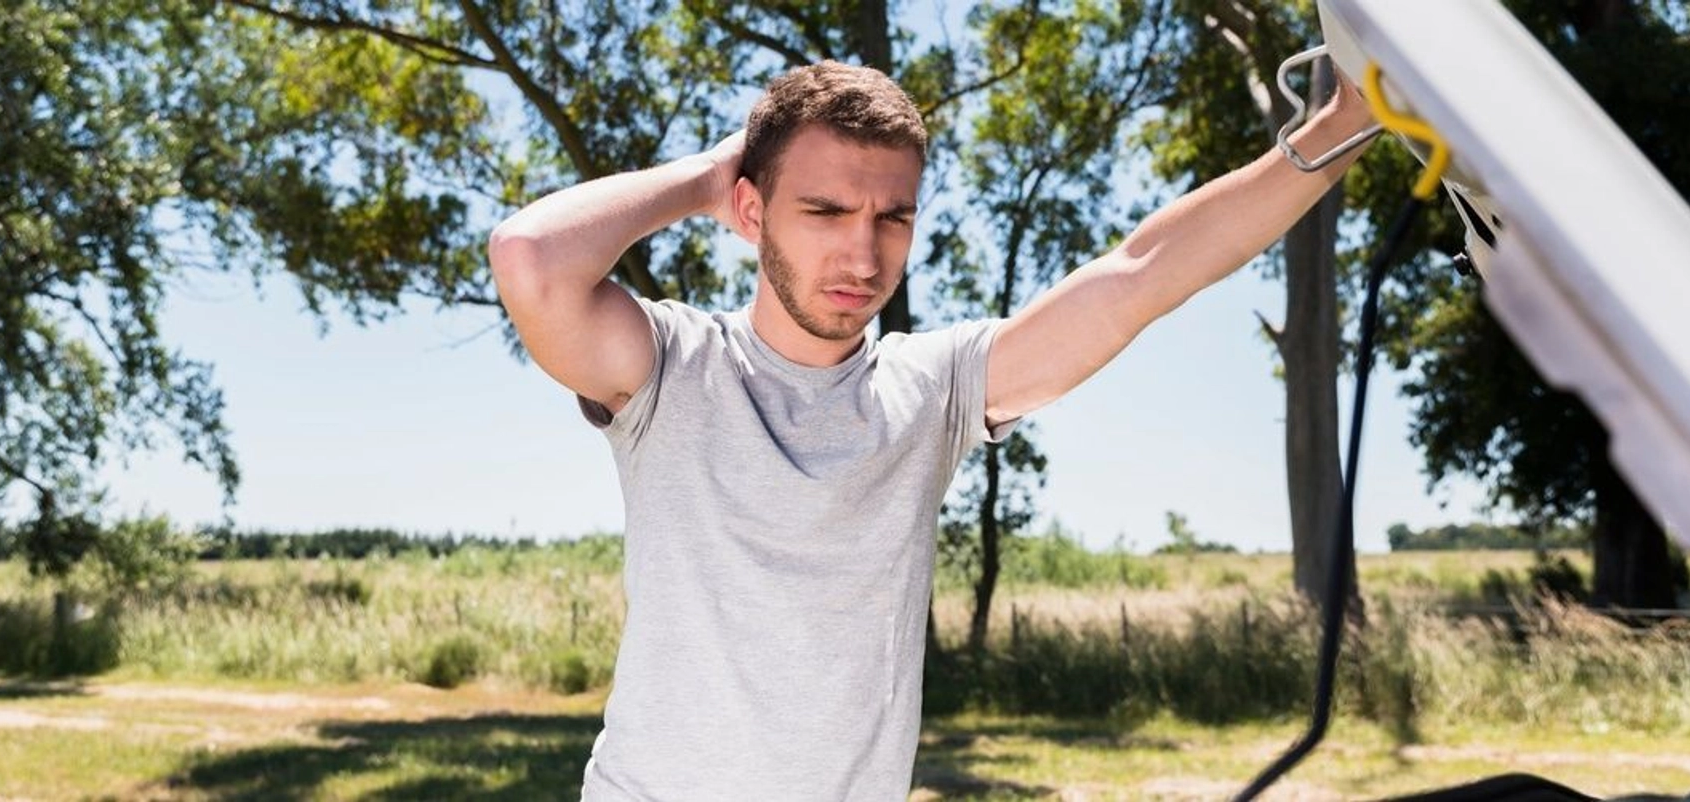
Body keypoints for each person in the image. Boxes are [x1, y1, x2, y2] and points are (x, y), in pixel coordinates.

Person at [487, 60, 1373, 802]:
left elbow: (1140, 274)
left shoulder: (935, 388)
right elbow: (530, 258)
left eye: (894, 217)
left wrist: (1346, 123)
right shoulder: (670, 366)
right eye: (824, 212)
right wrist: (708, 177)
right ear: (752, 213)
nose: (863, 256)